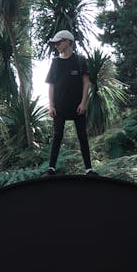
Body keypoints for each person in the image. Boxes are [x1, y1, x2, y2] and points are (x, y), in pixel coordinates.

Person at [44, 30, 96, 175]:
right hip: (59, 106)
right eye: (55, 44)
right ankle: (51, 167)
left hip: (77, 106)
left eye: (59, 42)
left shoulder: (80, 60)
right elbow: (51, 85)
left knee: (82, 136)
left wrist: (83, 103)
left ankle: (89, 169)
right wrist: (51, 105)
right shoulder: (55, 62)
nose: (57, 46)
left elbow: (86, 82)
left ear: (68, 41)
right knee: (57, 135)